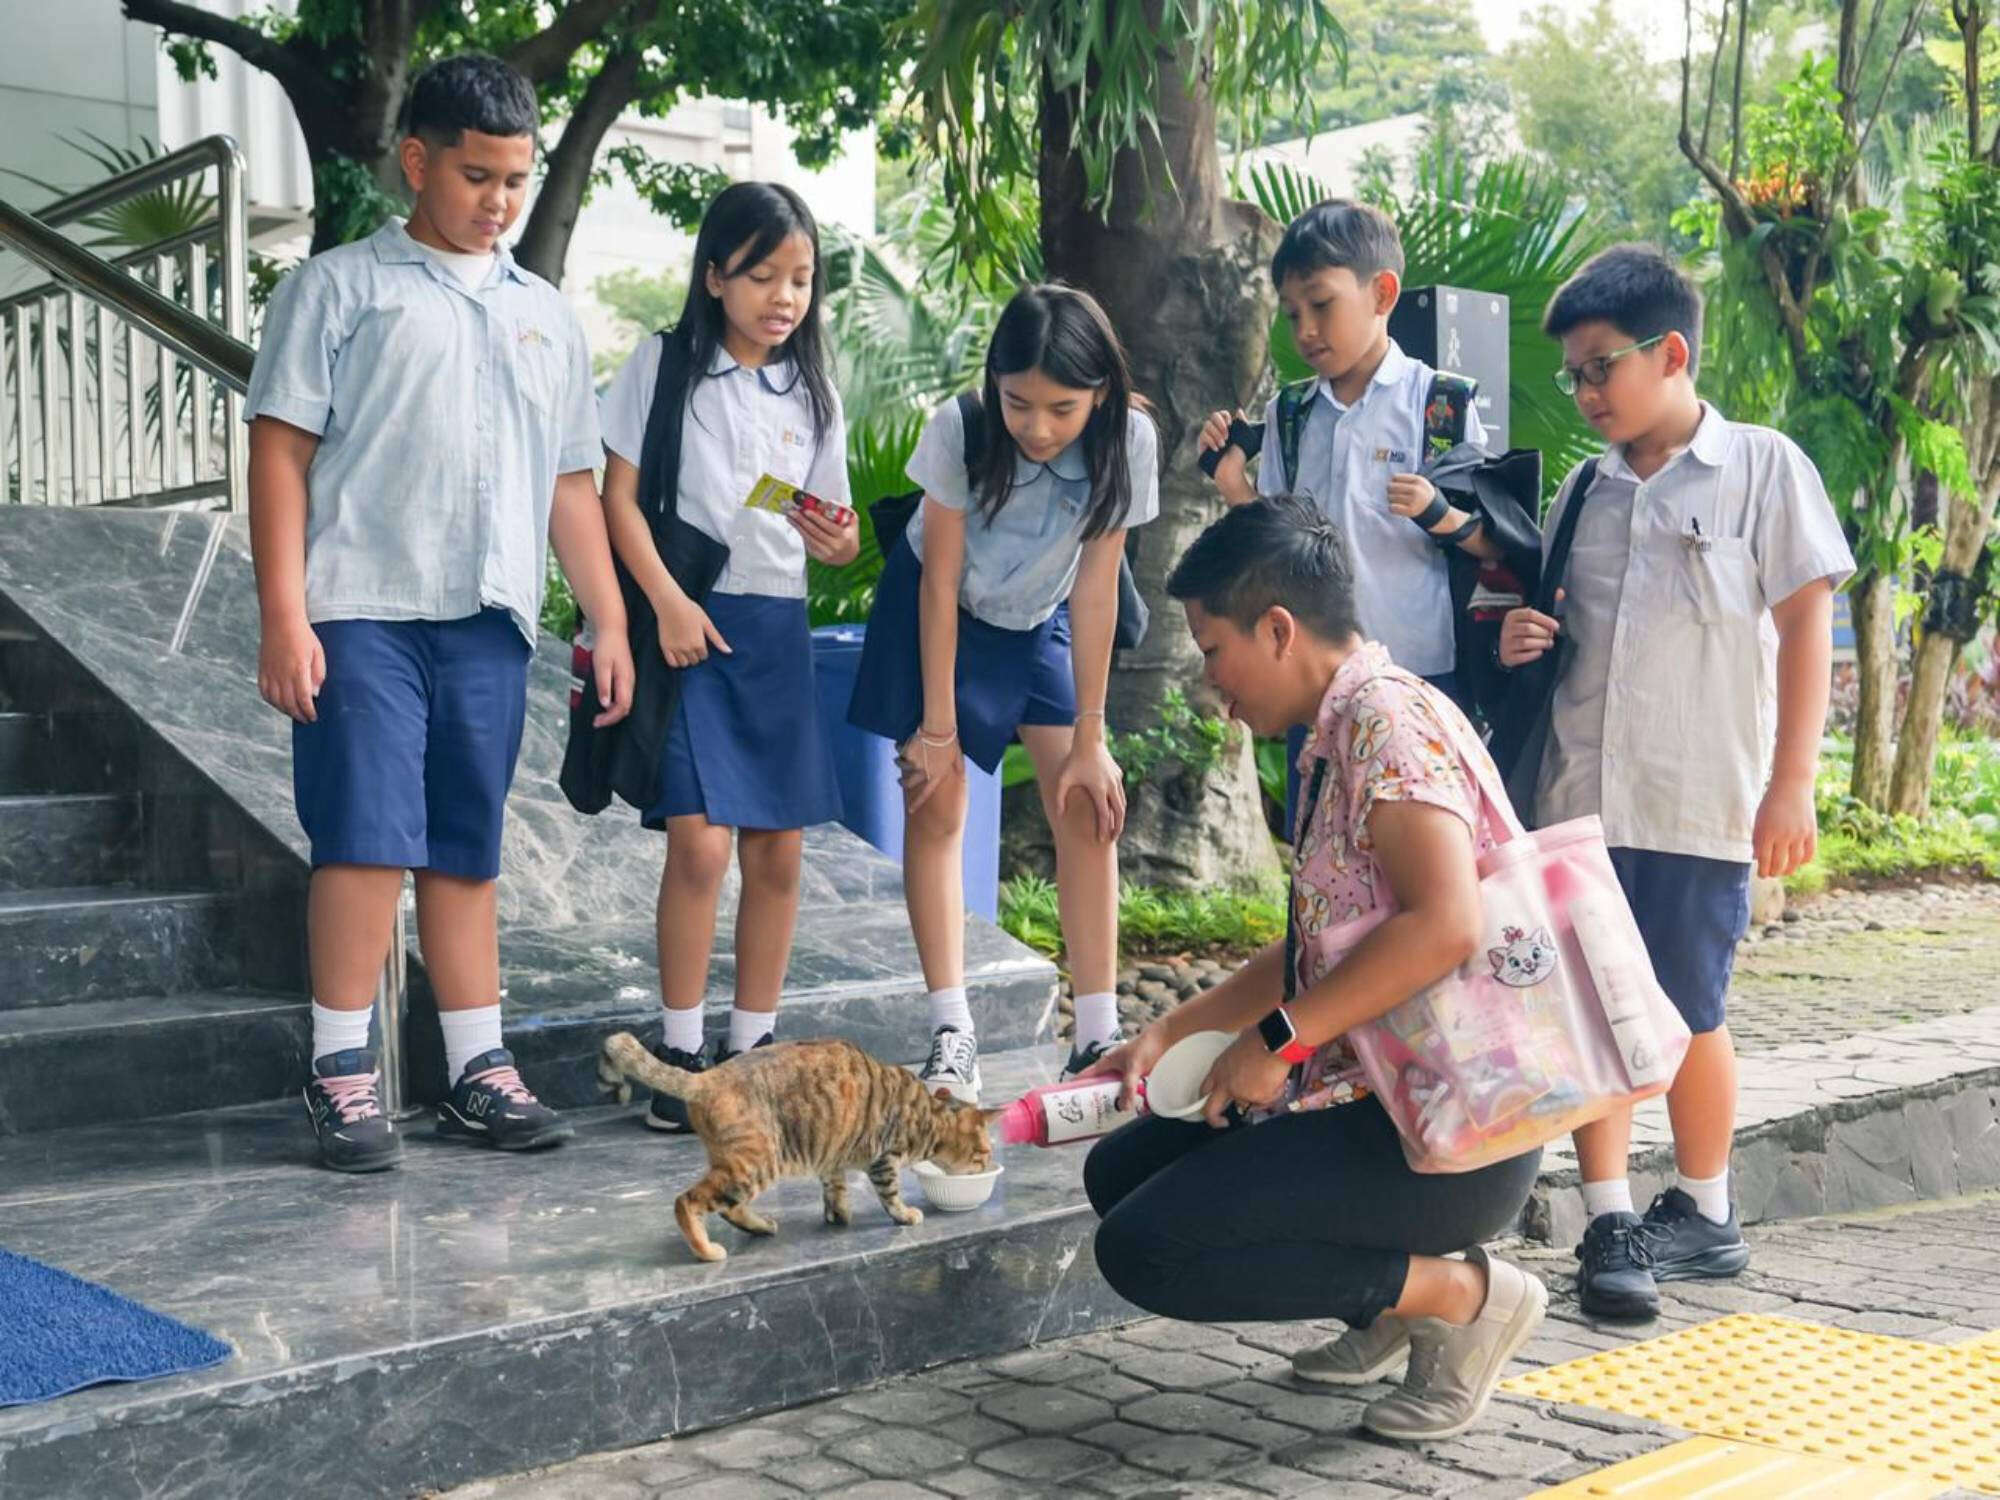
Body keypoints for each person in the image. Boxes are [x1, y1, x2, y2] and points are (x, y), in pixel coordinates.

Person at [1082, 497, 1546, 1443]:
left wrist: (1279, 1041)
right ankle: (1383, 1310)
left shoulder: (1386, 727)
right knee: (1124, 1171)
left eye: (1213, 650)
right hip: (1376, 1099)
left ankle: (1462, 1296)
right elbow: (1317, 946)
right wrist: (1172, 1030)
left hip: (1454, 1131)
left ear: (1279, 629)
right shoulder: (1335, 732)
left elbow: (1445, 924)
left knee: (1147, 1248)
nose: (1212, 681)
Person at [246, 54, 635, 1172]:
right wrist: (285, 615)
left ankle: (476, 1067)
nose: (499, 202)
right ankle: (341, 1072)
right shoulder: (336, 290)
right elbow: (280, 454)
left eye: (515, 179)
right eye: (476, 176)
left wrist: (603, 617)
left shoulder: (545, 317)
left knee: (464, 849)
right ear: (417, 161)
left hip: (489, 617)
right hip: (360, 606)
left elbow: (571, 482)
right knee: (365, 839)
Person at [1499, 244, 1852, 1318]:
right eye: (1572, 375)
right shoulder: (1581, 491)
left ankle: (1702, 1210)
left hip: (1700, 798)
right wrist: (1521, 635)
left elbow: (1805, 628)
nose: (1584, 391)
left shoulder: (1761, 468)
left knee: (1689, 1006)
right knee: (1589, 1011)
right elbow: (1562, 634)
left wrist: (1790, 784)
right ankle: (1606, 1213)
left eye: (1599, 367)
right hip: (1577, 799)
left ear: (1672, 354)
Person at [848, 284, 1159, 1102]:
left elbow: (1098, 589)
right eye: (1019, 403)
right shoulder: (961, 426)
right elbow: (940, 574)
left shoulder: (1129, 439)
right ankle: (952, 1032)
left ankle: (1095, 1033)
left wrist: (1091, 738)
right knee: (938, 801)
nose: (1039, 428)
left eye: (1063, 408)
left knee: (1087, 804)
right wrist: (939, 730)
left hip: (1044, 612)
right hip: (939, 607)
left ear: (1100, 393)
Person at [597, 182, 856, 1131]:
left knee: (778, 851)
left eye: (800, 278)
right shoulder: (664, 365)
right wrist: (663, 602)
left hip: (776, 628)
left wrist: (836, 538)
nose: (784, 297)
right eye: (761, 275)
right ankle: (678, 1048)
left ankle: (751, 1047)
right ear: (714, 277)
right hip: (689, 623)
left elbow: (827, 520)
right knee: (701, 846)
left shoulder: (813, 391)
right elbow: (615, 499)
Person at [1195, 199, 1501, 817]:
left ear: (1383, 293)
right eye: (1292, 313)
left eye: (1322, 304)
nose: (1305, 328)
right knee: (1318, 852)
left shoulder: (1439, 405)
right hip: (1315, 684)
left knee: (1412, 845)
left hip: (1416, 676)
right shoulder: (1291, 412)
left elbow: (1494, 545)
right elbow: (1277, 544)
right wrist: (1234, 487)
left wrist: (1438, 511)